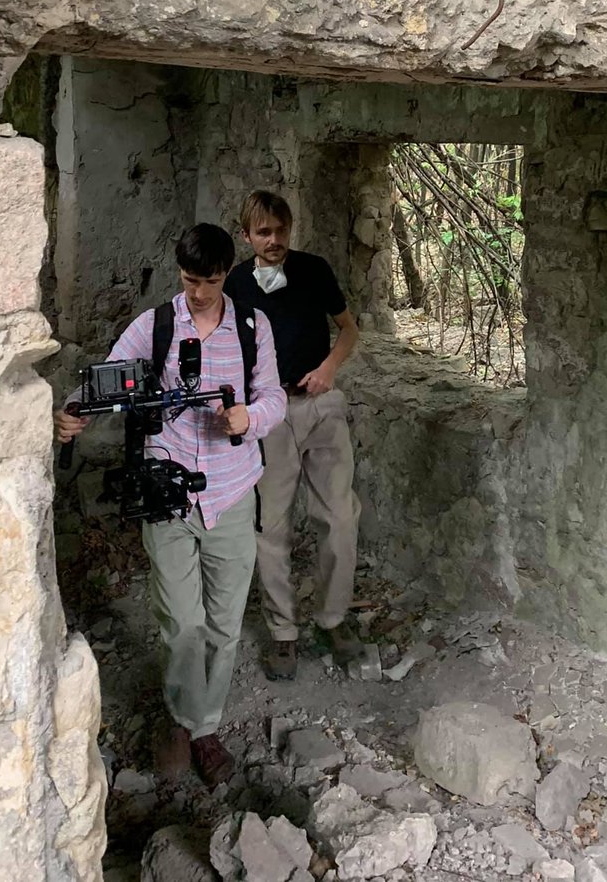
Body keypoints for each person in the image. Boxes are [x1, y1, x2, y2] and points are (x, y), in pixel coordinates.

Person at [53, 224, 286, 787]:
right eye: (188, 280)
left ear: (227, 272)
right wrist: (73, 411)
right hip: (169, 494)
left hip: (232, 492)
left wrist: (248, 419)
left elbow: (274, 396)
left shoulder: (253, 328)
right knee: (183, 622)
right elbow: (109, 378)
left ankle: (203, 727)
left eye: (208, 281)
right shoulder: (155, 326)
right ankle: (183, 719)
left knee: (225, 625)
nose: (198, 293)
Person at [225, 190, 362, 681]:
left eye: (281, 230)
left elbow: (348, 329)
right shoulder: (237, 283)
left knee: (340, 518)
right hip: (270, 412)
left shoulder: (315, 269)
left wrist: (329, 368)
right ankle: (283, 631)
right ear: (247, 236)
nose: (275, 240)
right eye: (264, 232)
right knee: (271, 525)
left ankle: (334, 618)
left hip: (320, 405)